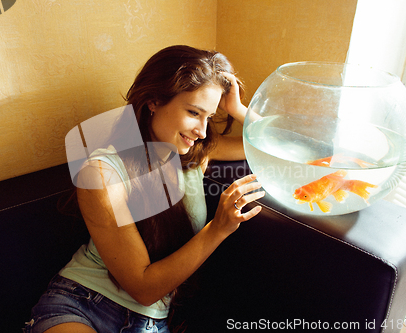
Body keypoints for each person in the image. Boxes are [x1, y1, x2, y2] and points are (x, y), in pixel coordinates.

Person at [24, 45, 265, 333]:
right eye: (193, 112)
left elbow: (274, 145)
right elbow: (143, 288)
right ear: (153, 101)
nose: (202, 131)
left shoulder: (193, 157)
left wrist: (236, 108)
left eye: (209, 117)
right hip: (83, 304)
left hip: (151, 324)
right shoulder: (102, 174)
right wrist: (218, 229)